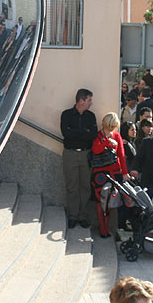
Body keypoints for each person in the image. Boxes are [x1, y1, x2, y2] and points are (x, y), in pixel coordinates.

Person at [60, 89, 97, 229]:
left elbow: (93, 135)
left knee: (85, 186)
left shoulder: (91, 116)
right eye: (89, 100)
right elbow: (66, 133)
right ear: (81, 101)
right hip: (70, 154)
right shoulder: (66, 115)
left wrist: (76, 133)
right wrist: (83, 133)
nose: (91, 103)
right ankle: (72, 216)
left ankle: (82, 216)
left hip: (86, 154)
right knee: (72, 186)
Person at [90, 113, 130, 238]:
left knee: (111, 201)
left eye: (114, 126)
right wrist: (107, 142)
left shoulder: (117, 136)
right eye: (110, 126)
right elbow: (96, 150)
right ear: (105, 124)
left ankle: (106, 226)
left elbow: (121, 156)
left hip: (115, 172)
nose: (112, 128)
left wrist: (124, 172)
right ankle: (102, 227)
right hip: (100, 174)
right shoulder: (98, 136)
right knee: (99, 200)